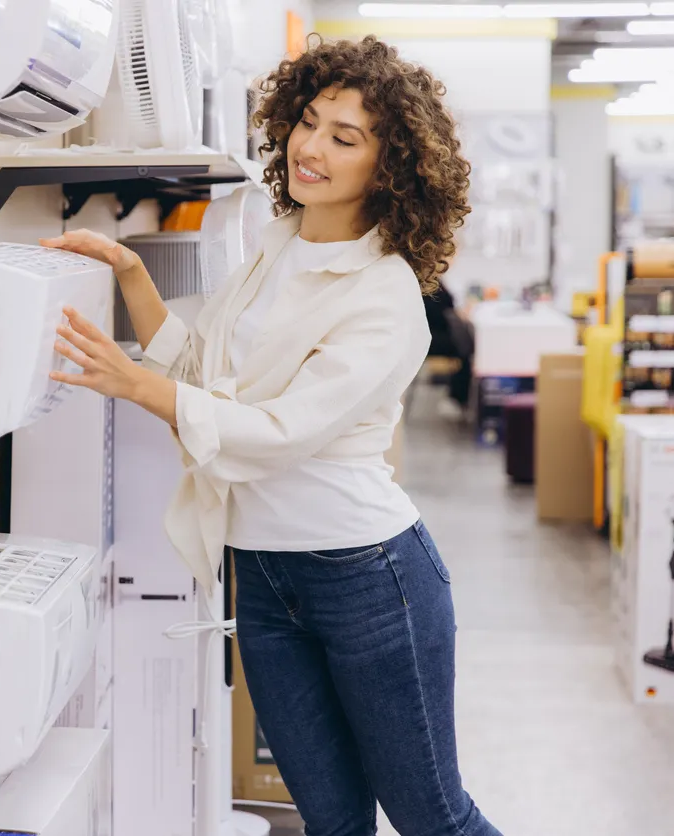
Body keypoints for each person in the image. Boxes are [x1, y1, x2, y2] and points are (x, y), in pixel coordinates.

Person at [41, 35, 500, 836]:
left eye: (343, 138)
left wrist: (135, 386)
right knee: (329, 821)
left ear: (389, 168)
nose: (310, 148)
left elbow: (279, 432)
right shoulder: (278, 246)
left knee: (433, 818)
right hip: (261, 572)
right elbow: (204, 375)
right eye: (308, 122)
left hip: (367, 578)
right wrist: (131, 275)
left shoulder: (384, 294)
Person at [424, 283, 475, 412]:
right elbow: (441, 311)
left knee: (466, 346)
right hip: (432, 338)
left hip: (433, 335)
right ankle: (459, 399)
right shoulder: (430, 285)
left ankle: (460, 399)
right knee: (465, 350)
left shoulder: (432, 283)